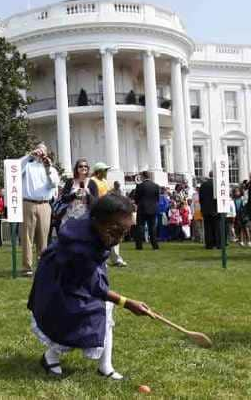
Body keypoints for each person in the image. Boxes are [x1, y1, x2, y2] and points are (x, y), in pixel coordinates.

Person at [28, 193, 153, 379]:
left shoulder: (97, 228)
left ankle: (105, 366)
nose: (118, 239)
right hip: (59, 283)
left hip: (74, 276)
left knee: (103, 309)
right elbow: (95, 287)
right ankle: (50, 356)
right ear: (97, 221)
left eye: (124, 233)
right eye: (115, 231)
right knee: (74, 319)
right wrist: (127, 302)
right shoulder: (80, 246)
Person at [20, 142, 61, 277]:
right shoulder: (28, 166)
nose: (40, 154)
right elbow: (15, 169)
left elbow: (53, 184)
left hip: (44, 204)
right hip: (28, 203)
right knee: (27, 237)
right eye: (38, 151)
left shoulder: (52, 169)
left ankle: (42, 266)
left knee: (43, 238)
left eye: (43, 151)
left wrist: (47, 168)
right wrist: (30, 155)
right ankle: (27, 267)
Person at [89, 162, 128, 267]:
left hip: (109, 211)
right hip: (99, 212)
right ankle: (102, 259)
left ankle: (116, 258)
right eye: (104, 170)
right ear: (99, 172)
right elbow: (94, 198)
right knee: (101, 236)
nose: (106, 172)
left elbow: (110, 194)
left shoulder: (105, 182)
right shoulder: (92, 182)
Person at [59, 159, 95, 226]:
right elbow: (63, 198)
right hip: (70, 216)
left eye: (85, 166)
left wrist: (88, 194)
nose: (83, 168)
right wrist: (74, 195)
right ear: (76, 168)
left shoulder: (92, 182)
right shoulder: (70, 181)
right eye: (80, 166)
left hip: (86, 217)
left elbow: (96, 201)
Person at [133, 171, 160, 250]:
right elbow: (157, 199)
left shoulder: (140, 186)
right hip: (153, 209)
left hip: (142, 209)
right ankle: (155, 245)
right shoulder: (155, 186)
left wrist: (139, 203)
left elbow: (136, 199)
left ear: (143, 177)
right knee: (152, 228)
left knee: (140, 227)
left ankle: (139, 246)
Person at [199, 172, 221, 249]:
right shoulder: (218, 184)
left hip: (206, 209)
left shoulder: (203, 185)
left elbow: (200, 199)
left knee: (208, 228)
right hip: (216, 209)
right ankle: (218, 243)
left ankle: (209, 244)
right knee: (217, 227)